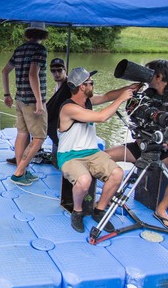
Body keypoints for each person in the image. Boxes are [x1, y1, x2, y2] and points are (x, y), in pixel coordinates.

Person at [106, 59, 168, 230]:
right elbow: (133, 118)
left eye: (148, 73)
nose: (145, 77)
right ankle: (106, 199)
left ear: (159, 76)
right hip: (144, 145)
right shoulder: (146, 94)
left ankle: (161, 209)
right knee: (104, 157)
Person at [58, 67, 136, 233]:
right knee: (84, 180)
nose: (93, 85)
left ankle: (99, 210)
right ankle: (77, 212)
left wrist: (130, 89)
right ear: (82, 87)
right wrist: (122, 99)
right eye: (91, 83)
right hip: (70, 156)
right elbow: (101, 117)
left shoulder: (87, 102)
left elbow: (108, 96)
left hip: (92, 152)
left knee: (117, 174)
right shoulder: (68, 108)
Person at [2, 22, 48, 186]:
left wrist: (6, 94)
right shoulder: (40, 50)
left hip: (19, 99)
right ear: (43, 34)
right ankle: (19, 172)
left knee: (22, 133)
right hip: (31, 101)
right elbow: (33, 74)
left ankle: (22, 168)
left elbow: (5, 71)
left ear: (28, 33)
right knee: (39, 137)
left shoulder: (20, 49)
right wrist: (39, 101)